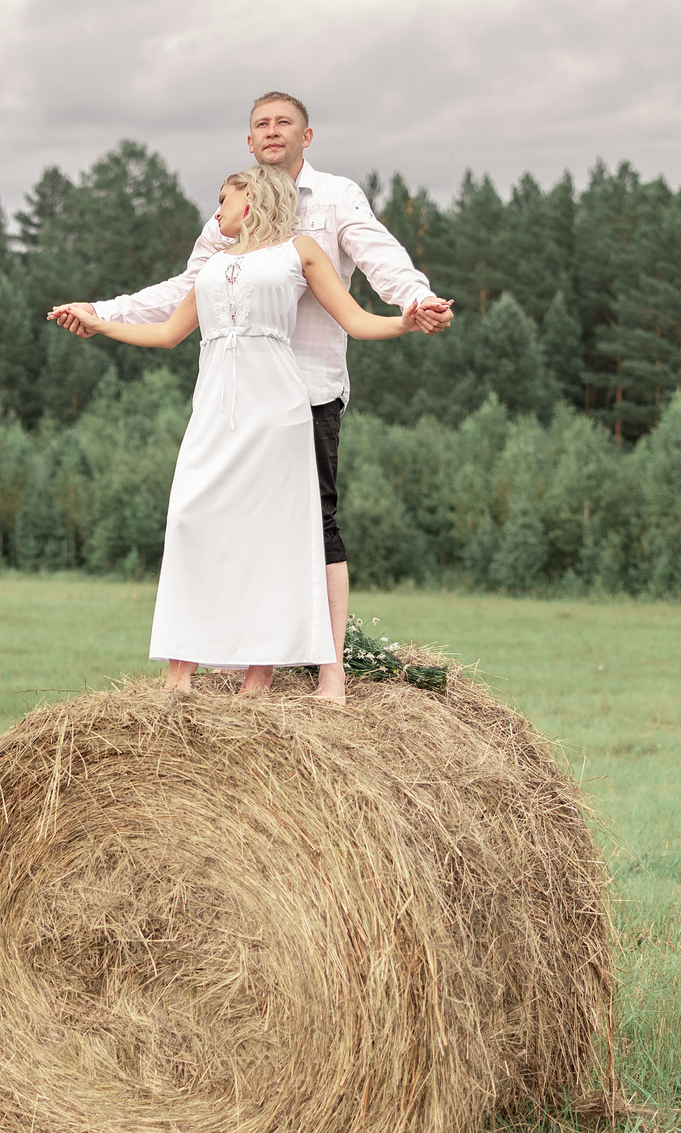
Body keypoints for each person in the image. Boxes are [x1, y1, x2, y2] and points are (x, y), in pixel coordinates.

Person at [51, 91, 453, 701]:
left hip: (306, 390)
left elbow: (382, 264)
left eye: (283, 122)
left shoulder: (335, 200)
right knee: (208, 519)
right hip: (223, 400)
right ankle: (216, 661)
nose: (272, 131)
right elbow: (181, 298)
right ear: (248, 140)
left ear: (306, 135)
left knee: (314, 527)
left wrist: (414, 302)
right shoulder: (225, 223)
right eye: (261, 123)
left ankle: (327, 668)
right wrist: (101, 312)